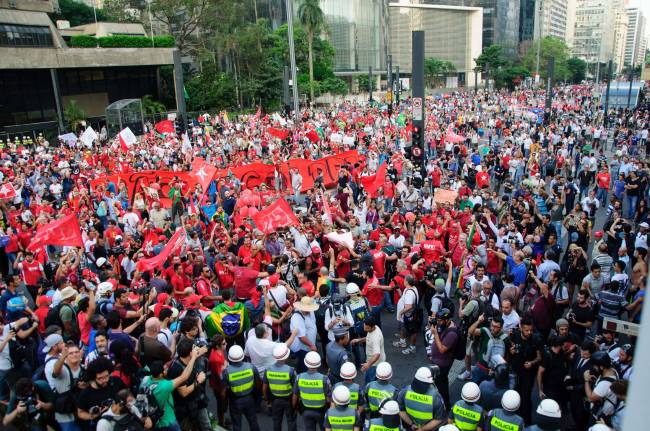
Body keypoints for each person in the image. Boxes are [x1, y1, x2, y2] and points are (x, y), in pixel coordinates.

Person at [140, 345, 205, 431]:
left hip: (152, 419)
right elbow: (184, 377)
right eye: (164, 369)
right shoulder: (164, 386)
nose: (167, 369)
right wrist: (193, 358)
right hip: (167, 421)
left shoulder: (145, 380)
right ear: (160, 374)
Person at [165, 338, 211, 431]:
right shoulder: (177, 369)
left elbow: (203, 350)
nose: (196, 349)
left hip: (197, 402)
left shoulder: (188, 359)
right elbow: (183, 392)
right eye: (194, 347)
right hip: (186, 409)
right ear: (190, 353)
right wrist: (198, 381)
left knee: (206, 426)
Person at [76, 357, 125, 430]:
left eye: (106, 376)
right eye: (100, 378)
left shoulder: (116, 382)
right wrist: (91, 416)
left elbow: (127, 396)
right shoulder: (86, 394)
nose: (105, 380)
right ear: (93, 378)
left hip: (121, 423)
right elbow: (80, 413)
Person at [222, 345, 261, 431]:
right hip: (250, 398)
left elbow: (224, 391)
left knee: (237, 424)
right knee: (253, 421)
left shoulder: (227, 372)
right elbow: (258, 383)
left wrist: (224, 402)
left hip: (235, 401)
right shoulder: (251, 367)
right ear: (242, 356)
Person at [429, 308, 459, 410]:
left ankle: (445, 405)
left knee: (441, 385)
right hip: (437, 361)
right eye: (437, 320)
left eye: (440, 320)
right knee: (441, 383)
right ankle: (445, 403)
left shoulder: (452, 334)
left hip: (443, 364)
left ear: (447, 320)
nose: (438, 323)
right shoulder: (444, 325)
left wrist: (435, 334)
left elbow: (442, 349)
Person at [263, 344, 298, 431]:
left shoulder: (268, 370)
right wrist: (295, 404)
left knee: (277, 421)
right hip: (288, 400)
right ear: (286, 357)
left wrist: (267, 400)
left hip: (275, 400)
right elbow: (295, 390)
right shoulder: (291, 370)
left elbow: (264, 388)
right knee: (291, 420)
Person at [293, 351, 331, 431]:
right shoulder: (324, 378)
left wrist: (294, 407)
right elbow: (328, 397)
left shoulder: (299, 377)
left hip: (306, 410)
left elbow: (295, 395)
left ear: (306, 363)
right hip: (321, 411)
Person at [289, 296, 319, 374]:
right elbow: (302, 337)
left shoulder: (310, 311)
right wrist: (312, 346)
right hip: (302, 348)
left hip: (309, 346)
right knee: (303, 367)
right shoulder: (297, 317)